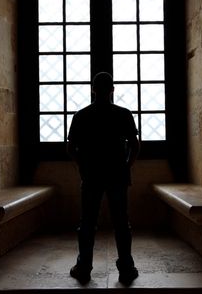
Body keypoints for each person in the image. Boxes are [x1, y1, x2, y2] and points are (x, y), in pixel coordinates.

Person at [67, 71, 140, 285]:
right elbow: (135, 146)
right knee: (121, 222)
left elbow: (71, 147)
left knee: (88, 222)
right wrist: (127, 165)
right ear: (112, 90)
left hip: (92, 174)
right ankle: (126, 268)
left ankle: (84, 267)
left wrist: (82, 164)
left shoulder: (82, 115)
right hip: (117, 173)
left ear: (93, 89)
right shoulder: (123, 114)